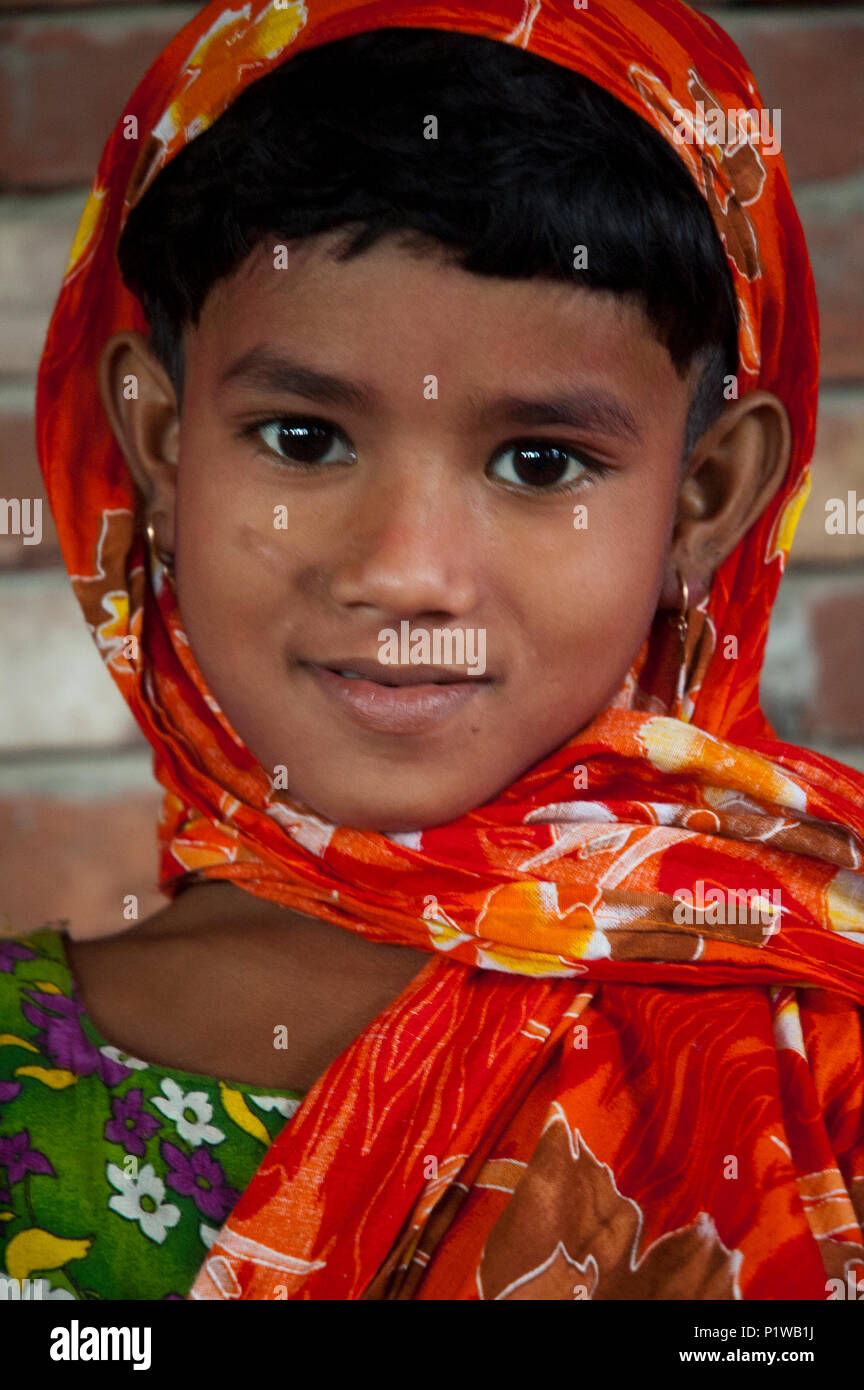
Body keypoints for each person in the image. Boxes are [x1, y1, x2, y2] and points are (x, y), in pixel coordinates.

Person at [2, 0, 863, 1302]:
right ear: (161, 442)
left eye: (539, 461)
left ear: (704, 498)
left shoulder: (828, 1035)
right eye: (303, 439)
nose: (404, 566)